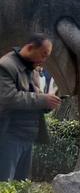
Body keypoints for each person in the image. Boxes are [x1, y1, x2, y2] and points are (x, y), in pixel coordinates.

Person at [0, 34, 61, 181]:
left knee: (21, 185)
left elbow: (35, 98)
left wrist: (49, 103)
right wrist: (42, 100)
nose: (43, 60)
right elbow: (8, 98)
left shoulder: (32, 69)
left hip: (27, 137)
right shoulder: (5, 65)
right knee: (4, 184)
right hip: (9, 135)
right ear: (29, 48)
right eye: (43, 54)